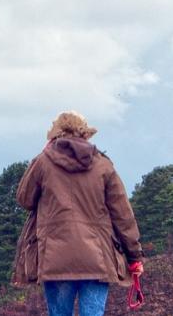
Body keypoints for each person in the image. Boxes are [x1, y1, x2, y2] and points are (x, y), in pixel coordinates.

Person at [11, 111, 144, 316]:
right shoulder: (103, 165)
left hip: (55, 259)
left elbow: (24, 199)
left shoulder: (43, 162)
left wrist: (41, 155)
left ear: (55, 134)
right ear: (85, 133)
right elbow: (123, 216)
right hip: (97, 259)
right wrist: (134, 257)